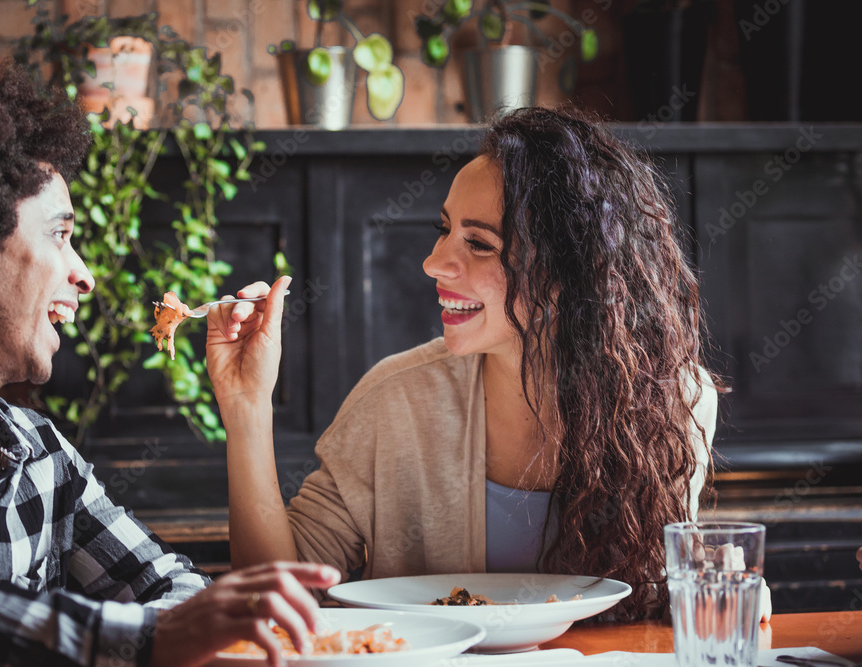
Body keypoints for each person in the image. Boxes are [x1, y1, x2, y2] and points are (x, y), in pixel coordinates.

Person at [0, 49, 338, 667]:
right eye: (60, 235)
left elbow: (168, 591)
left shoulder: (37, 453)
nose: (84, 275)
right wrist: (145, 639)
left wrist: (217, 621)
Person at [205, 107, 748, 623]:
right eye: (444, 230)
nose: (434, 262)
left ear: (572, 273)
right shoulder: (395, 398)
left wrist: (716, 588)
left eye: (480, 244)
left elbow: (660, 588)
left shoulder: (670, 397)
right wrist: (247, 408)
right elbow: (273, 596)